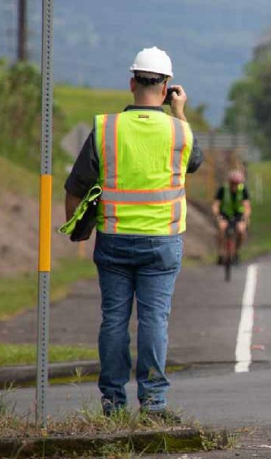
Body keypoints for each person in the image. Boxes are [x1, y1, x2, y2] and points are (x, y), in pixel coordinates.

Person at [64, 46, 203, 419]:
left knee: (113, 320)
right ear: (167, 86)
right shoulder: (179, 132)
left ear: (131, 83)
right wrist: (180, 112)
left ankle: (113, 403)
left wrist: (77, 229)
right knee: (154, 320)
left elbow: (75, 185)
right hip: (162, 241)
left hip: (113, 240)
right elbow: (196, 161)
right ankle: (154, 403)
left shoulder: (106, 128)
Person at [212, 170, 252, 264]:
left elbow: (247, 207)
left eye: (236, 184)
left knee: (241, 230)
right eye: (233, 183)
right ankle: (221, 253)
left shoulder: (243, 190)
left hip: (238, 215)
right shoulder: (223, 189)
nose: (234, 186)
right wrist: (218, 216)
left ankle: (236, 252)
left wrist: (245, 218)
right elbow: (216, 205)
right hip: (224, 214)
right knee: (222, 228)